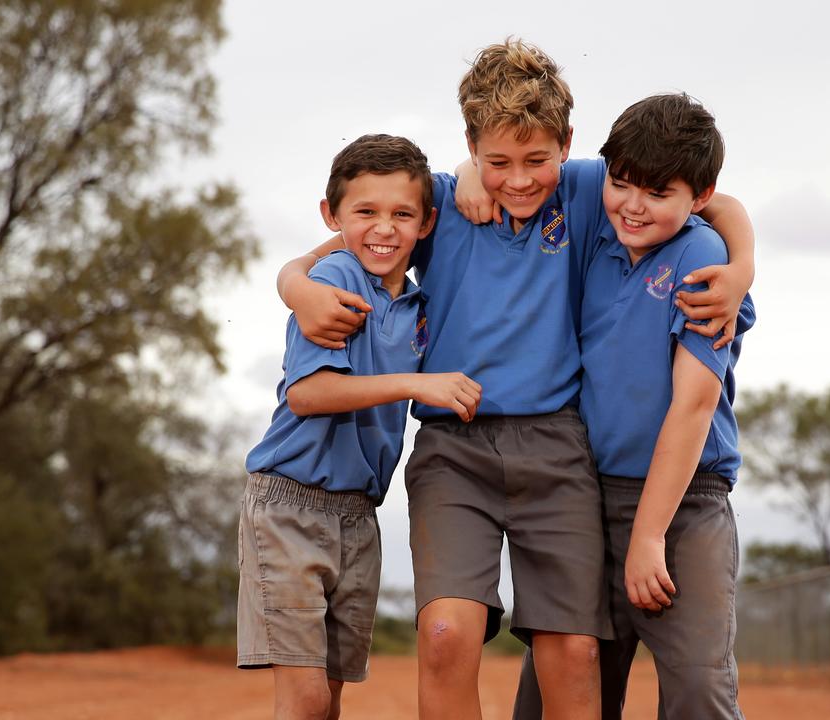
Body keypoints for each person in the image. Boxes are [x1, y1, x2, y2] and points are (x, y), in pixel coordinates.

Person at [276, 40, 755, 720]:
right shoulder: (437, 200)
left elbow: (713, 199)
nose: (520, 179)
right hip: (454, 450)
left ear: (567, 145)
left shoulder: (594, 190)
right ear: (470, 146)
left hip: (560, 450)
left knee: (574, 651)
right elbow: (342, 242)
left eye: (537, 161)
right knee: (445, 635)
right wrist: (295, 286)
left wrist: (743, 268)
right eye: (497, 162)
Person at [514, 93, 755, 720]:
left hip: (683, 504)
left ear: (695, 196)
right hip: (585, 496)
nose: (633, 205)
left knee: (699, 689)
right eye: (621, 185)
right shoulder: (598, 223)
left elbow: (694, 406)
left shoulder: (701, 257)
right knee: (557, 687)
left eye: (656, 194)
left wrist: (649, 536)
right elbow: (513, 166)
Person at [237, 134, 481, 720]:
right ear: (333, 216)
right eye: (365, 212)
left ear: (426, 224)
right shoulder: (336, 281)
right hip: (290, 504)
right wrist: (417, 384)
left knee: (331, 699)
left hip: (358, 515)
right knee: (305, 698)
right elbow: (308, 393)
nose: (384, 228)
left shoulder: (418, 306)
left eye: (402, 214)